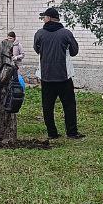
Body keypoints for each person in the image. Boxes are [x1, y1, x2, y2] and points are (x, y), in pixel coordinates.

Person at [33, 7, 83, 139]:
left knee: (47, 107)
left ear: (48, 18)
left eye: (44, 17)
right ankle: (72, 132)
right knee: (69, 105)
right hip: (63, 77)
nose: (43, 19)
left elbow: (37, 49)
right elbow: (74, 51)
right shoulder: (66, 33)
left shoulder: (39, 34)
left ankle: (52, 133)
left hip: (46, 76)